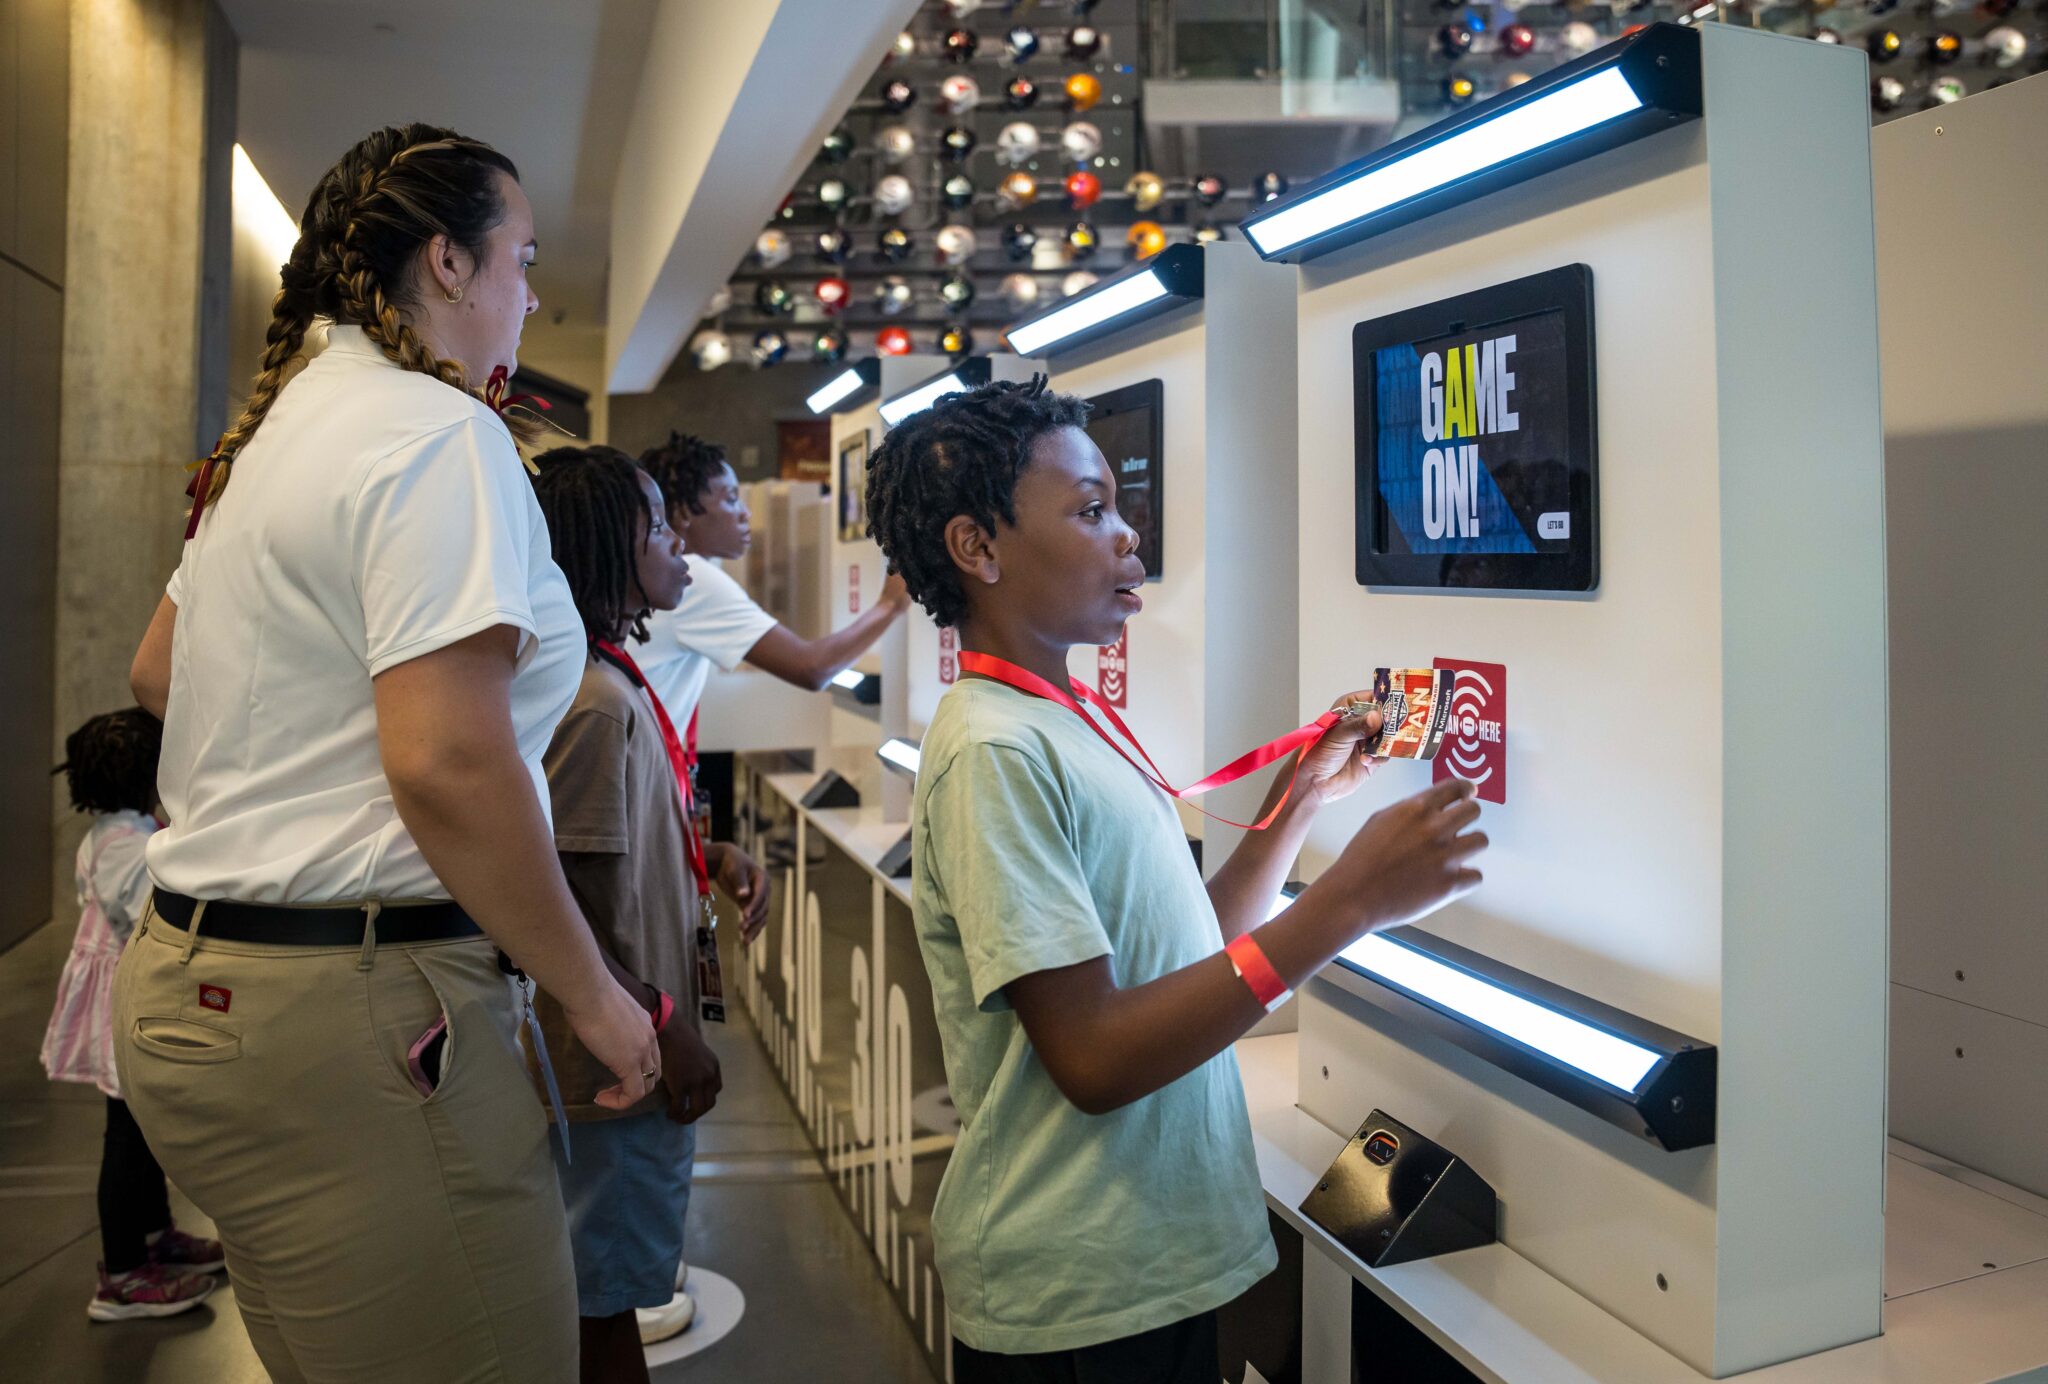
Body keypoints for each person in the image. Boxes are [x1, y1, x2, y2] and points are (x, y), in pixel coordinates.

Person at [117, 124, 659, 1382]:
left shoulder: (278, 433)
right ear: (447, 264)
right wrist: (594, 994)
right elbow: (448, 763)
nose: (532, 297)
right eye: (522, 260)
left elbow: (158, 672)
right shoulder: (434, 432)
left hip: (197, 992)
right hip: (354, 1014)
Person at [864, 379, 1488, 1382]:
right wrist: (1348, 905)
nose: (1128, 536)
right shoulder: (993, 751)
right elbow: (1093, 1056)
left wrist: (1297, 802)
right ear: (977, 548)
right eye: (1089, 510)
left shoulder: (1060, 718)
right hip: (1080, 1290)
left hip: (1141, 1261)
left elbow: (1182, 948)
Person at [527, 445, 772, 1379]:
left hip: (628, 1050)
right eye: (658, 527)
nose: (679, 545)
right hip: (617, 1068)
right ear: (605, 548)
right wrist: (666, 1025)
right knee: (603, 1314)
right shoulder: (593, 699)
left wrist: (705, 856)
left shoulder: (608, 676)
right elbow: (562, 903)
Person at [42, 707, 225, 1323]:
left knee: (142, 1130)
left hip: (122, 996)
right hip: (123, 1002)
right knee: (125, 1139)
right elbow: (147, 916)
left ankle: (154, 1236)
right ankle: (121, 1277)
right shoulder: (125, 845)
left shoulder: (118, 831)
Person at [634, 431, 912, 727]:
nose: (745, 513)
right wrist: (889, 604)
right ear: (683, 512)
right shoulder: (692, 577)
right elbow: (812, 668)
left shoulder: (661, 573)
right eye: (731, 499)